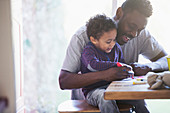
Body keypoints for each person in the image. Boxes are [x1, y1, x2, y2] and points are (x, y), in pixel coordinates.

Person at [59, 0, 169, 112]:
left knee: (139, 99)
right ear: (119, 13)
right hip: (88, 105)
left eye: (140, 30)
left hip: (122, 103)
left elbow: (167, 60)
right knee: (105, 98)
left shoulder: (141, 36)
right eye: (131, 26)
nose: (134, 34)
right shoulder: (85, 36)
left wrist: (149, 67)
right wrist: (105, 74)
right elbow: (64, 81)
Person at [80, 14, 133, 113]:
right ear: (94, 40)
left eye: (114, 39)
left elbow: (121, 65)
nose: (113, 44)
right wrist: (115, 65)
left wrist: (126, 72)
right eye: (108, 41)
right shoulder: (89, 50)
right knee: (105, 97)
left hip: (114, 87)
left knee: (136, 97)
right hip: (94, 91)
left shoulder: (116, 47)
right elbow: (93, 65)